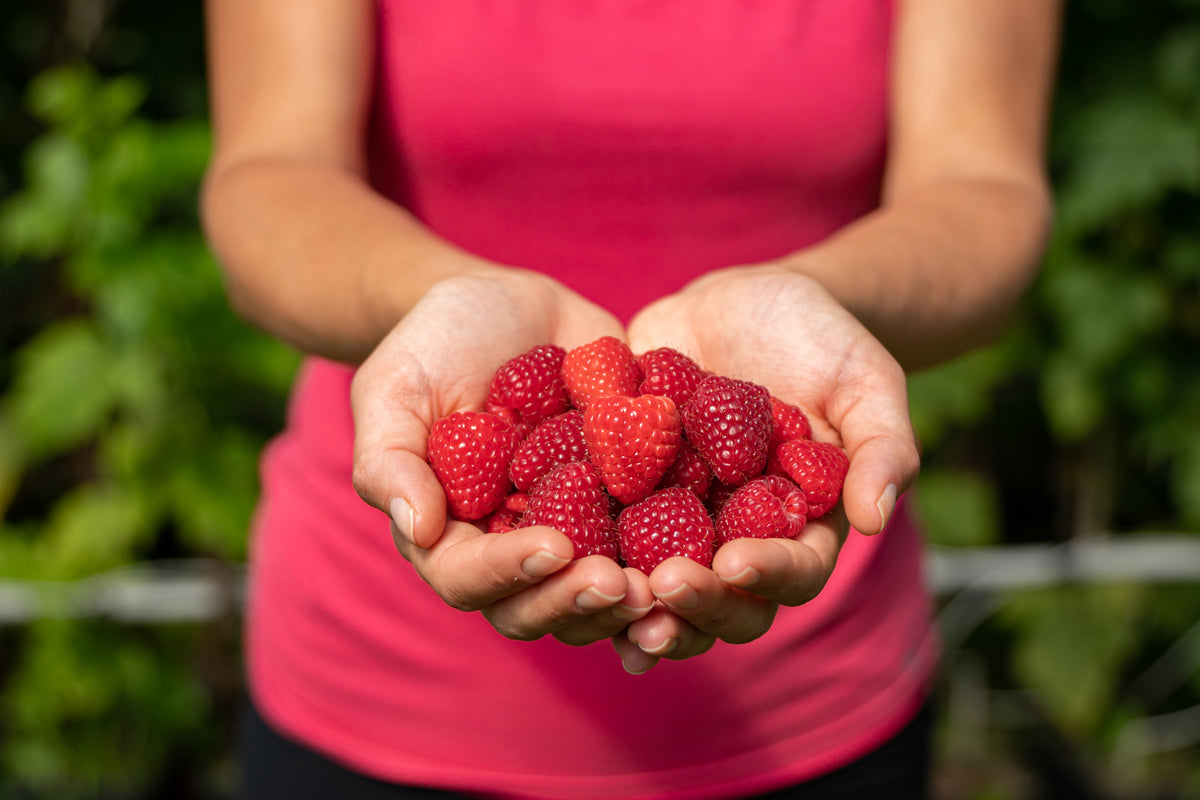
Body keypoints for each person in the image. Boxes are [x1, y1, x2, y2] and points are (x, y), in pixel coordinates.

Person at [201, 1, 1059, 798]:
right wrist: (437, 294)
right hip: (371, 677)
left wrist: (820, 294)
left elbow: (986, 194)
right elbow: (269, 176)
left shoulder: (711, 448)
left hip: (815, 705)